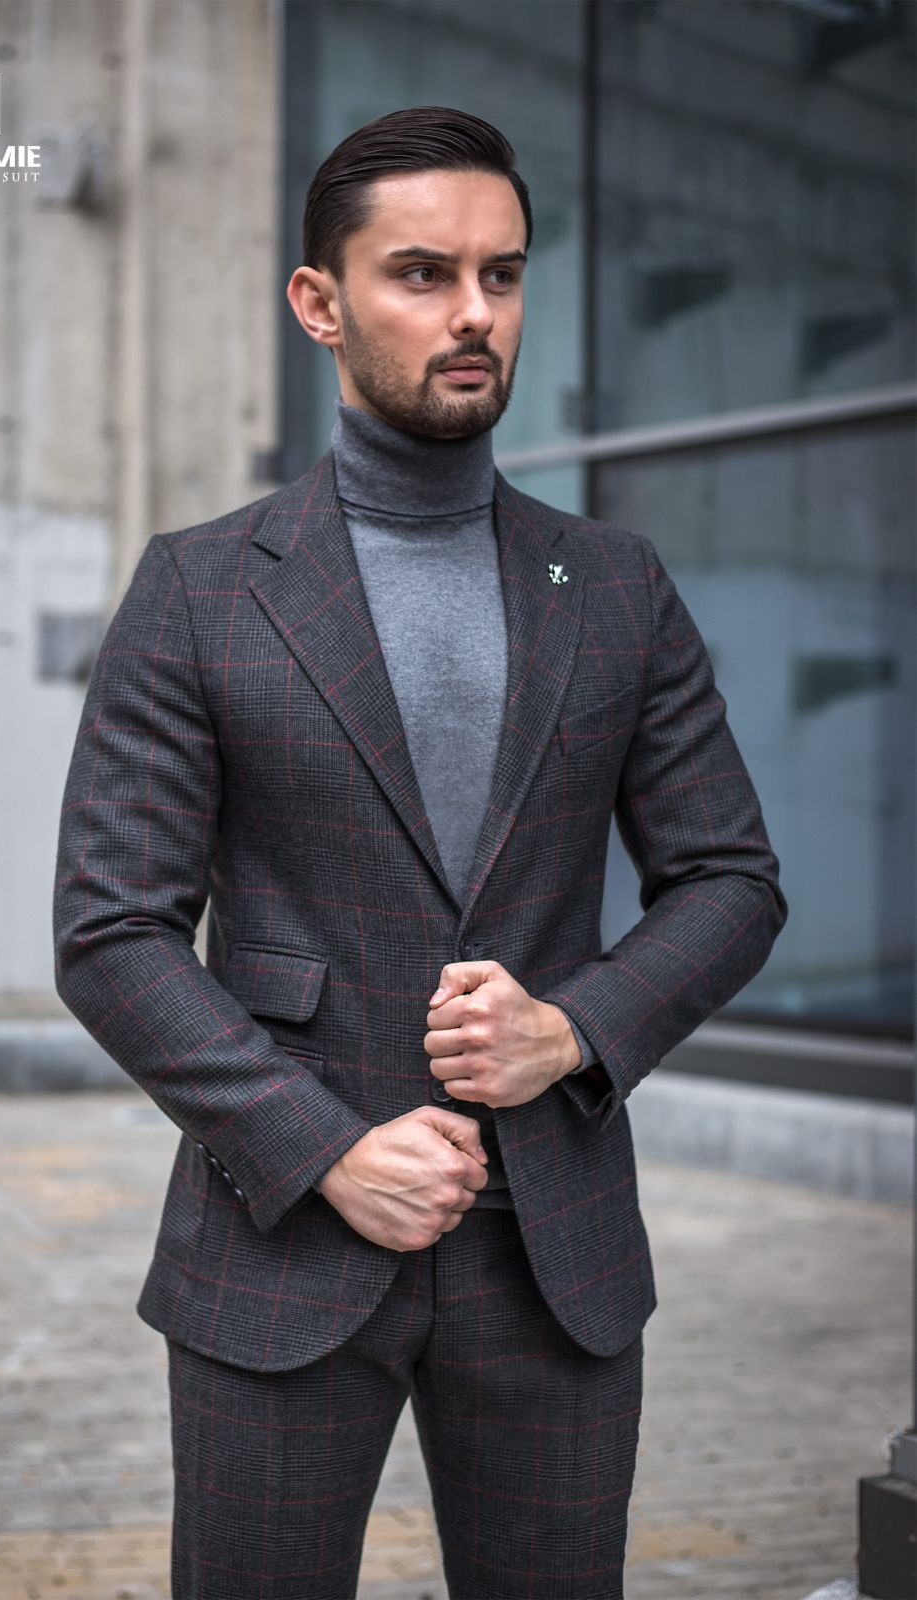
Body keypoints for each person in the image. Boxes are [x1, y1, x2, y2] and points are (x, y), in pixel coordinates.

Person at [53, 106, 786, 1600]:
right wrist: (321, 1147)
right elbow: (112, 932)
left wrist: (573, 1027)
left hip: (554, 1257)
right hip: (277, 1243)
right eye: (422, 274)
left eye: (502, 276)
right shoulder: (200, 590)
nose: (472, 315)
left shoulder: (615, 586)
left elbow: (730, 880)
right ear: (318, 303)